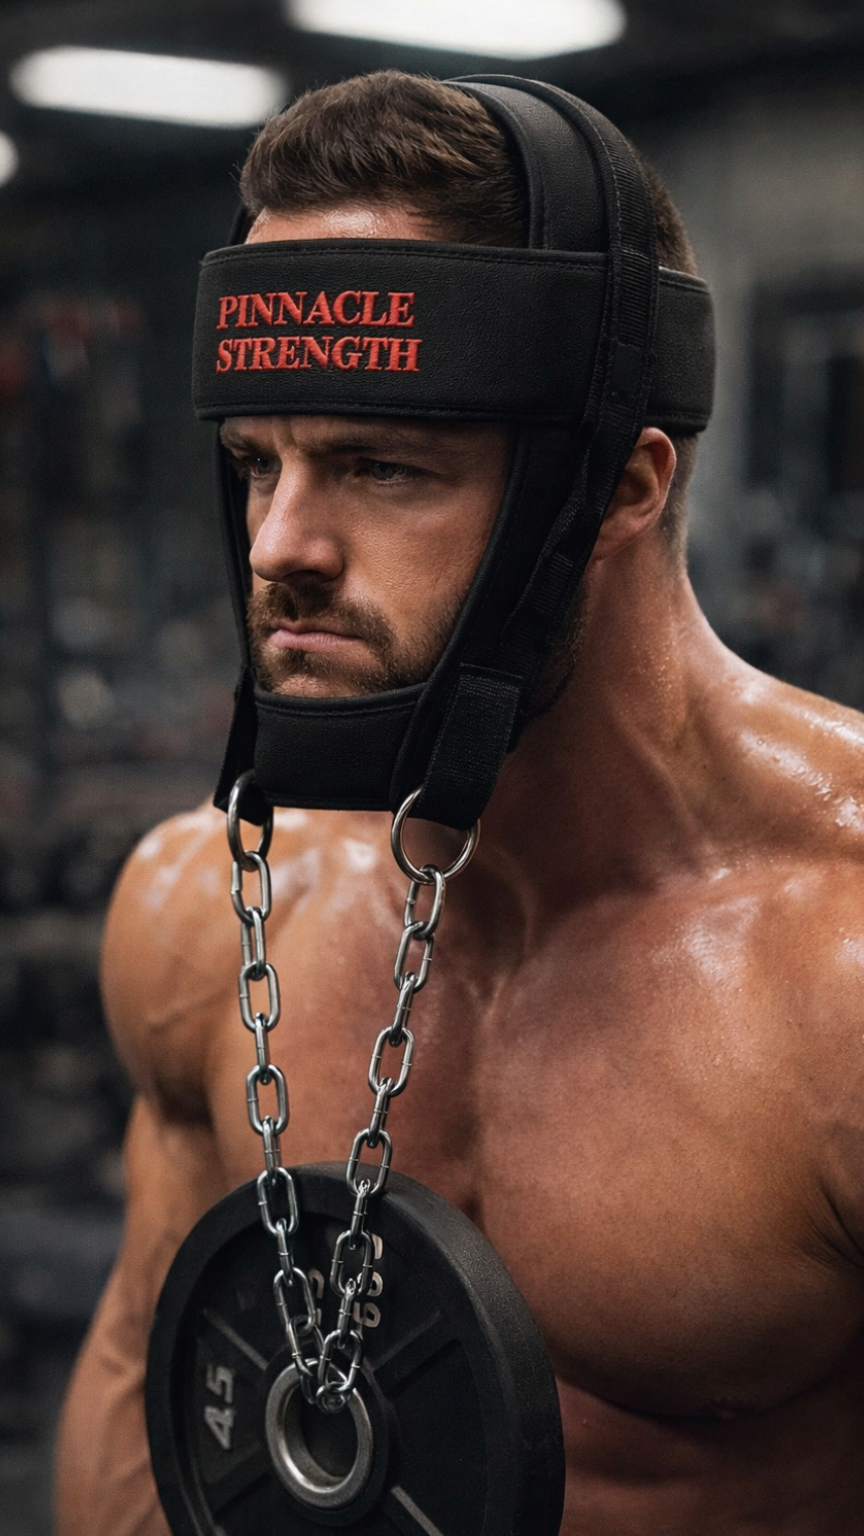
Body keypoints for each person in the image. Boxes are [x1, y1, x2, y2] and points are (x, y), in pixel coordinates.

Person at [55, 71, 864, 1536]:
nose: (281, 544)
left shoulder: (838, 968)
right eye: (258, 462)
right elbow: (147, 1385)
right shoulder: (204, 915)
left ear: (620, 491)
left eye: (379, 465)